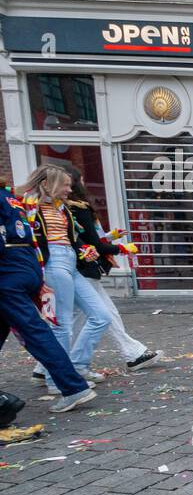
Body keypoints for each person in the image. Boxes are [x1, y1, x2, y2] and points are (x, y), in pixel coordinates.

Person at [1, 182, 96, 413]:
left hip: (7, 272)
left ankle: (73, 387)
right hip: (25, 264)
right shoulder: (8, 197)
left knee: (36, 331)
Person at [19, 166, 115, 389]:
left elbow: (71, 237)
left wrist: (83, 249)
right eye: (64, 184)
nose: (69, 189)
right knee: (61, 324)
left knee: (101, 316)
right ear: (48, 184)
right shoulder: (29, 207)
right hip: (53, 264)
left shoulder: (61, 208)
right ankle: (57, 380)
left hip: (70, 261)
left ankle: (77, 365)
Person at [62, 169, 158, 372]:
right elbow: (92, 244)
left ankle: (45, 367)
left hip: (79, 269)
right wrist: (121, 248)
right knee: (102, 314)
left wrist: (110, 237)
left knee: (82, 317)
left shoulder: (66, 209)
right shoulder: (78, 208)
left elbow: (89, 240)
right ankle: (132, 353)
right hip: (84, 270)